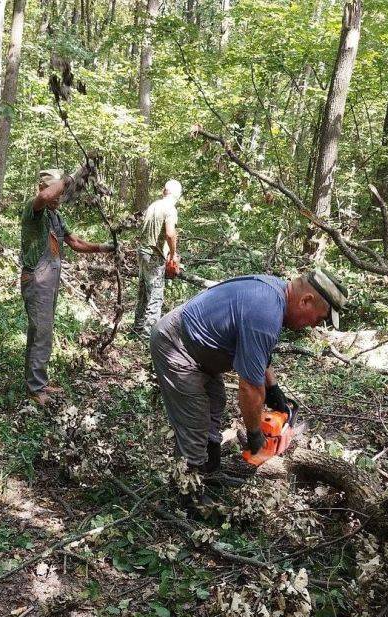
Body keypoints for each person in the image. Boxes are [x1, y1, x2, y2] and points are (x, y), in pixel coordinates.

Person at [150, 269, 348, 499]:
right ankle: (187, 494)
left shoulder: (275, 294)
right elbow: (249, 388)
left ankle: (210, 472)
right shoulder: (265, 312)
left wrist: (273, 388)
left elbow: (258, 352)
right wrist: (255, 434)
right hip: (177, 346)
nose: (315, 326)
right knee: (195, 420)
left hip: (198, 347)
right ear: (306, 300)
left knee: (216, 402)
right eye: (319, 318)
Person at [19, 166, 115, 406]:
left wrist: (105, 248)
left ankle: (36, 381)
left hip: (49, 280)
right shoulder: (34, 209)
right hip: (36, 278)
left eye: (61, 193)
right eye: (57, 192)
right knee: (41, 332)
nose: (59, 198)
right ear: (43, 187)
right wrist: (73, 176)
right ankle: (36, 388)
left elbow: (74, 242)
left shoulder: (55, 216)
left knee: (40, 331)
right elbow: (44, 197)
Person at [133, 180, 182, 336]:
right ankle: (148, 334)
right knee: (155, 295)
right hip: (154, 254)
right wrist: (173, 253)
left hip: (142, 251)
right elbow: (169, 233)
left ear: (163, 191)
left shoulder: (154, 205)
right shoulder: (170, 209)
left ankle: (137, 327)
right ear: (178, 195)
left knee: (142, 291)